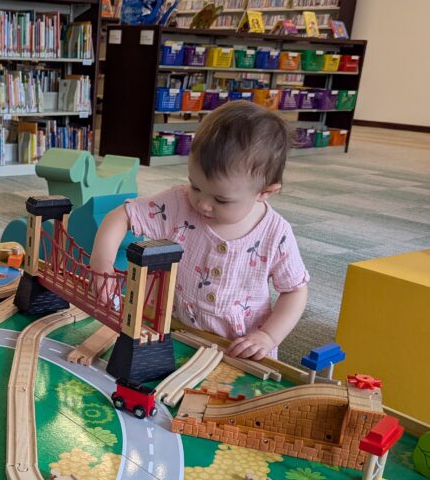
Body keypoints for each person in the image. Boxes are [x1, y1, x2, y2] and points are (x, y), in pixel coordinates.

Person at [90, 101, 309, 360]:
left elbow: (294, 290)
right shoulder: (178, 203)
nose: (203, 204)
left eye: (221, 200)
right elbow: (120, 217)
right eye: (195, 186)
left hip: (241, 352)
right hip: (177, 335)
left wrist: (268, 336)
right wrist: (101, 266)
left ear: (265, 192)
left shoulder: (276, 233)